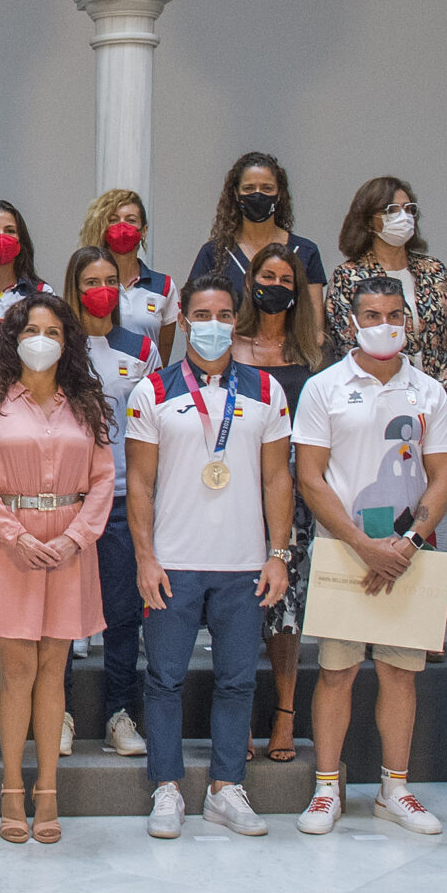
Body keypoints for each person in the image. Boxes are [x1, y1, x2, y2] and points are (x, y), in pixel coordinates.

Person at [126, 275, 295, 838]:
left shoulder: (268, 392)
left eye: (224, 314)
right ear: (187, 318)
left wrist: (278, 553)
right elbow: (140, 484)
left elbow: (277, 478)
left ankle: (227, 787)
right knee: (165, 680)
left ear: (236, 320)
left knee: (238, 680)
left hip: (244, 563)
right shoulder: (152, 391)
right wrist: (146, 558)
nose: (214, 324)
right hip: (174, 561)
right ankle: (167, 787)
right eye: (202, 314)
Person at [290, 276, 447, 837]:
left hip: (409, 557)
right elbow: (310, 477)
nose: (383, 324)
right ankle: (325, 788)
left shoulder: (429, 391)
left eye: (393, 314)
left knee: (399, 674)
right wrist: (362, 545)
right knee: (336, 673)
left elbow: (441, 479)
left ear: (407, 320)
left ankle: (395, 789)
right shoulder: (324, 388)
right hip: (345, 552)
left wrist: (407, 543)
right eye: (371, 314)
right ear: (352, 321)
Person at [0, 294, 115, 844]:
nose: (42, 339)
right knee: (17, 671)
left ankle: (47, 790)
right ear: (13, 337)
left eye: (53, 330)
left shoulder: (87, 402)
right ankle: (10, 788)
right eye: (31, 329)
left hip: (69, 548)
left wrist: (75, 538)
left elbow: (102, 479)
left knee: (55, 671)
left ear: (68, 339)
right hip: (11, 547)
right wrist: (16, 535)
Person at [233, 239, 325, 762]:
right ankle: (238, 711)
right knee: (241, 603)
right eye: (266, 277)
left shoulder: (313, 353)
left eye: (286, 281)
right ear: (250, 283)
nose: (275, 287)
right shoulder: (230, 343)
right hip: (237, 486)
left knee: (285, 607)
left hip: (296, 490)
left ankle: (285, 712)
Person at [64, 242, 157, 757]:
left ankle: (120, 715)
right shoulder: (57, 345)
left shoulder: (139, 348)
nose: (100, 292)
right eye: (89, 283)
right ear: (74, 289)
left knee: (122, 614)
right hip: (67, 499)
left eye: (107, 283)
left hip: (122, 498)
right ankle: (62, 714)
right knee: (62, 614)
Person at [324, 178, 447, 391]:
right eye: (392, 210)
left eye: (409, 209)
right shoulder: (348, 277)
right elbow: (346, 343)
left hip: (437, 397)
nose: (404, 217)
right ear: (368, 220)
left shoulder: (435, 271)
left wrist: (441, 392)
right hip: (375, 394)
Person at [188, 151, 326, 329]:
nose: (258, 195)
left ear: (279, 194)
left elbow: (315, 331)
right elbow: (194, 318)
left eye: (267, 188)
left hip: (290, 355)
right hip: (231, 354)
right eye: (249, 188)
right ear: (236, 194)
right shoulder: (214, 253)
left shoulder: (305, 251)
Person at [79, 188, 176, 343]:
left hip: (146, 366)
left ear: (144, 231)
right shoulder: (86, 282)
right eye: (113, 220)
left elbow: (162, 355)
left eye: (131, 220)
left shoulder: (164, 286)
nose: (122, 227)